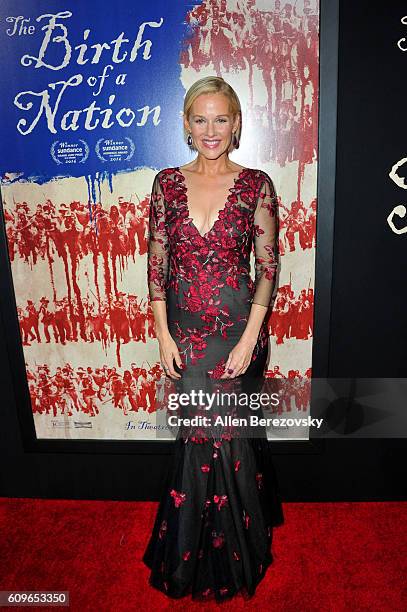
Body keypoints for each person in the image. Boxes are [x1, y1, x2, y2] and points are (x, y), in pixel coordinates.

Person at [142, 75, 284, 602]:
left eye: (221, 118)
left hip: (236, 330)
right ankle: (198, 552)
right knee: (198, 437)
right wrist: (161, 332)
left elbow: (267, 269)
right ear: (185, 123)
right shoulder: (165, 184)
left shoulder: (256, 185)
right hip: (183, 329)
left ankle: (235, 552)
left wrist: (250, 339)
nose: (210, 129)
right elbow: (157, 265)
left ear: (237, 123)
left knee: (223, 436)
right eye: (200, 118)